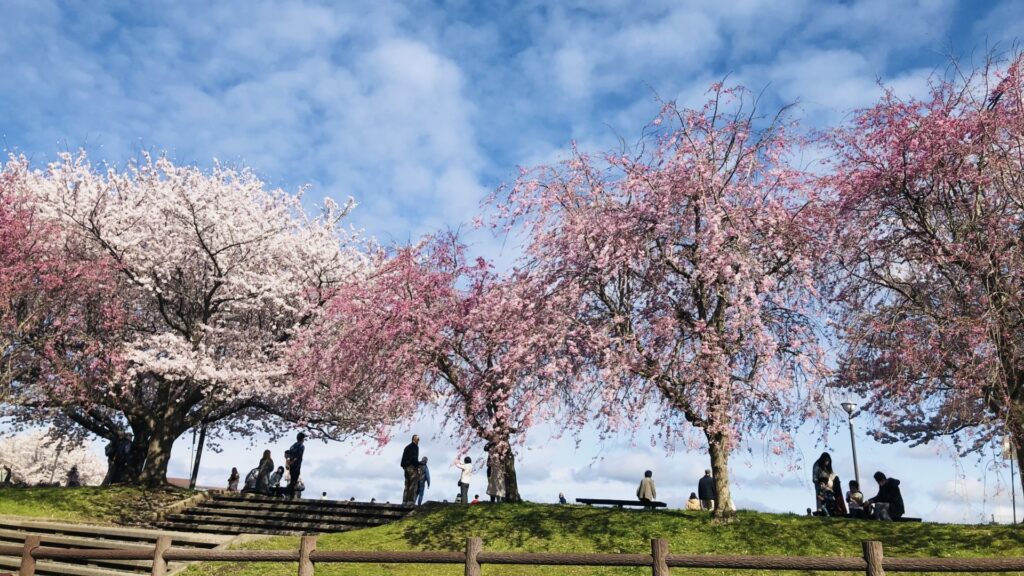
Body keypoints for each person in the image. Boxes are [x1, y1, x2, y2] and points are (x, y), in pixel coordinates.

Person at [284, 432, 306, 497]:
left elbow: (287, 454)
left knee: (293, 480)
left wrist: (288, 462)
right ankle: (287, 492)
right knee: (294, 480)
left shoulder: (292, 446)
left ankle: (291, 493)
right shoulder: (301, 446)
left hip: (291, 465)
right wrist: (293, 461)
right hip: (297, 465)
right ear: (302, 439)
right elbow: (298, 456)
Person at [400, 435, 420, 505]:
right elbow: (414, 458)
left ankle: (404, 501)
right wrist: (418, 464)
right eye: (418, 439)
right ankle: (410, 501)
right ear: (414, 439)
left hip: (406, 468)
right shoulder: (415, 447)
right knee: (413, 484)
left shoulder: (407, 447)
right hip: (412, 467)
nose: (419, 441)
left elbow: (403, 458)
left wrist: (404, 466)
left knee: (407, 485)